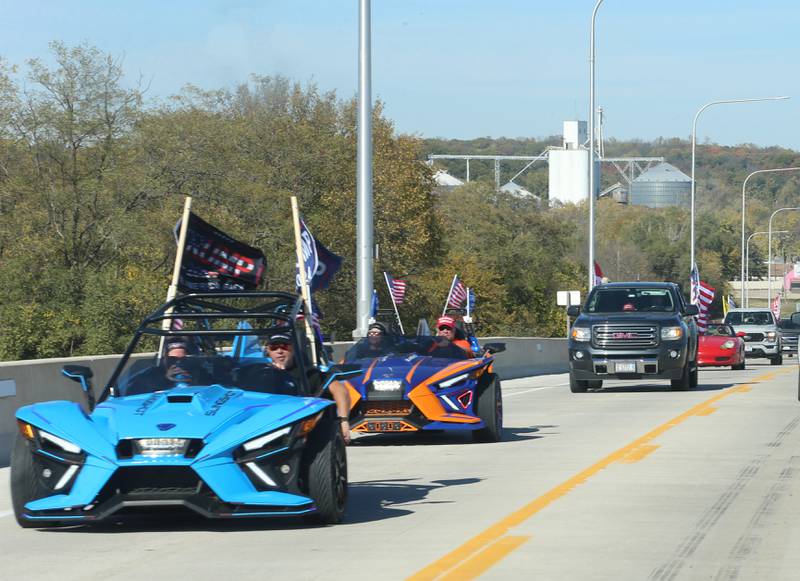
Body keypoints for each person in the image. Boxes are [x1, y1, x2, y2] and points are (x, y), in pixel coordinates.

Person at [265, 332, 352, 444]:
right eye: (274, 347)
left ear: (293, 349)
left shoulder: (309, 374)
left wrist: (343, 421)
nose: (279, 351)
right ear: (268, 351)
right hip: (267, 428)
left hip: (302, 433)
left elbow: (339, 389)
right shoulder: (261, 374)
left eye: (284, 346)